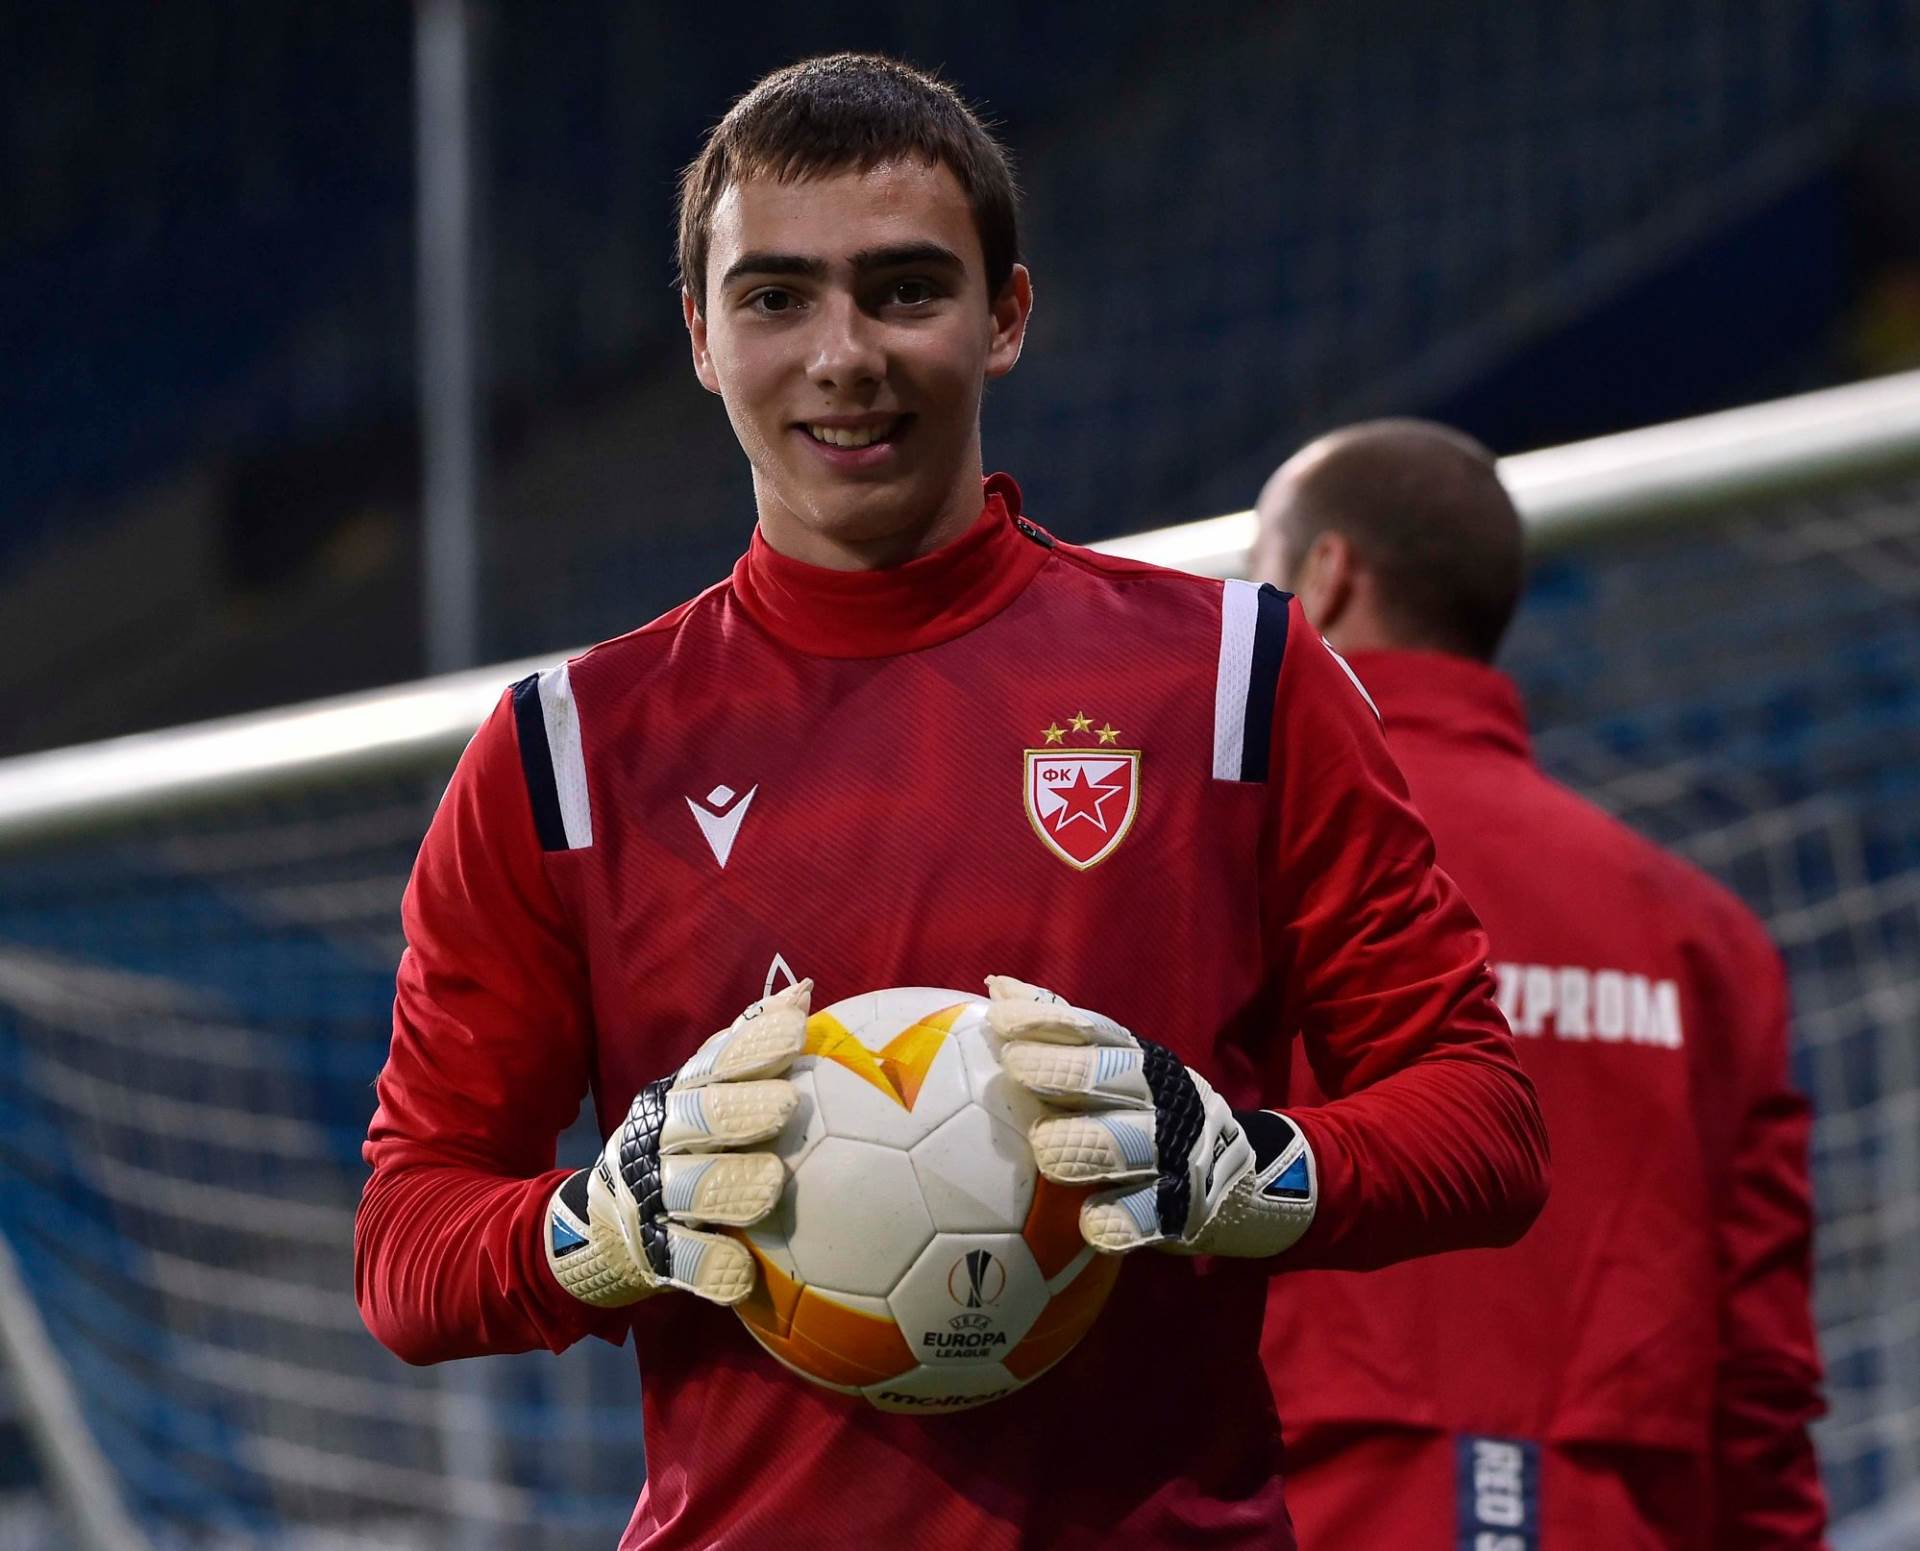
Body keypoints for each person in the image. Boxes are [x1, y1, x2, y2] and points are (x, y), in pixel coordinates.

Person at [355, 58, 1549, 1550]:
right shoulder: (566, 750)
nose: (841, 354)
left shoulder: (1241, 678)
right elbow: (406, 1247)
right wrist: (600, 1224)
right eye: (776, 297)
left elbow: (1487, 1121)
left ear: (1008, 317)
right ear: (701, 339)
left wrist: (1251, 1166)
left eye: (904, 289)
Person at [1251, 419, 1828, 1550]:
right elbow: (1763, 1367)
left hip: (1296, 1510)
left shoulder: (1226, 865)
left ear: (1324, 580)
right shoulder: (1704, 935)